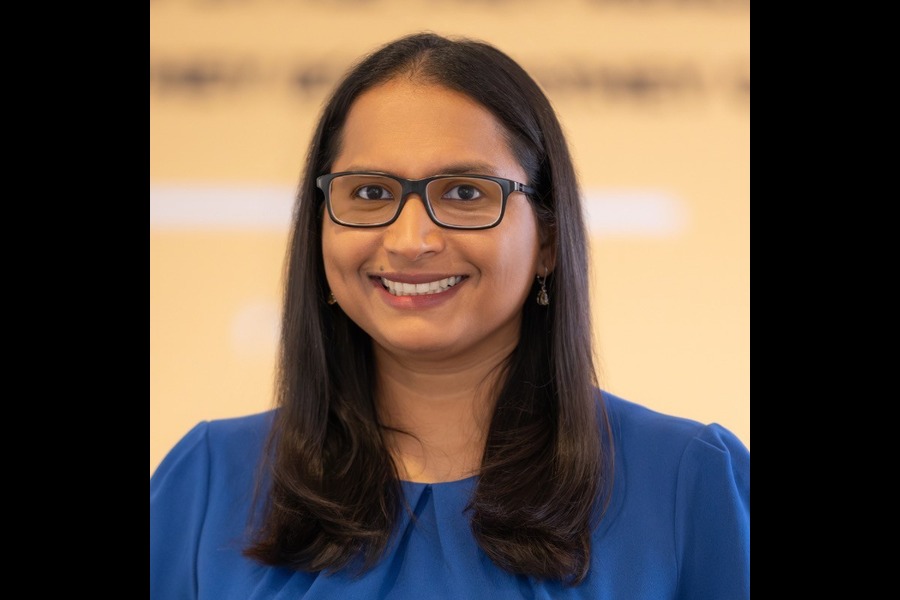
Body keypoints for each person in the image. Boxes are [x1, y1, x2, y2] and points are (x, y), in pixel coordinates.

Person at [150, 32, 750, 599]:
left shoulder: (689, 481)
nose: (410, 241)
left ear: (547, 237)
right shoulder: (206, 482)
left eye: (464, 193)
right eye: (370, 193)